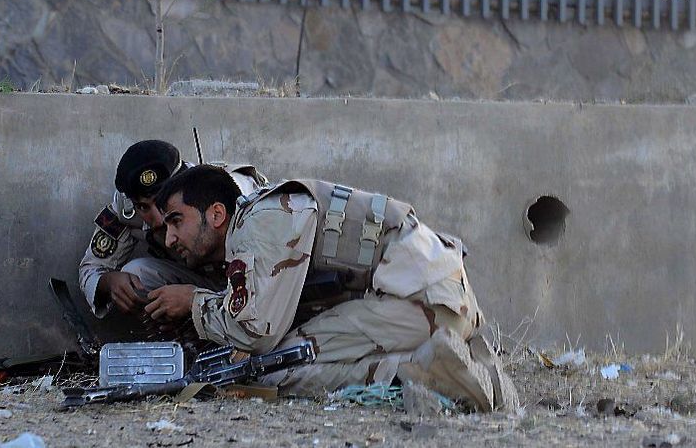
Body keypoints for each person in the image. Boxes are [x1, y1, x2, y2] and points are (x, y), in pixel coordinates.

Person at [144, 165, 518, 411]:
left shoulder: (262, 221)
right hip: (438, 302)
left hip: (421, 305)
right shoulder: (266, 213)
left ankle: (432, 374)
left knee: (272, 369)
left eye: (177, 221)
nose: (171, 237)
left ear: (216, 214)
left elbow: (256, 333)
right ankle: (460, 358)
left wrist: (193, 303)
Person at [78, 141, 266, 325]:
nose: (159, 221)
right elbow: (91, 267)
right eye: (143, 207)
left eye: (163, 204)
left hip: (247, 283)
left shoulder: (233, 191)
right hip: (198, 281)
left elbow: (268, 281)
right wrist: (108, 282)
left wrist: (194, 302)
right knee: (135, 273)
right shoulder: (125, 209)